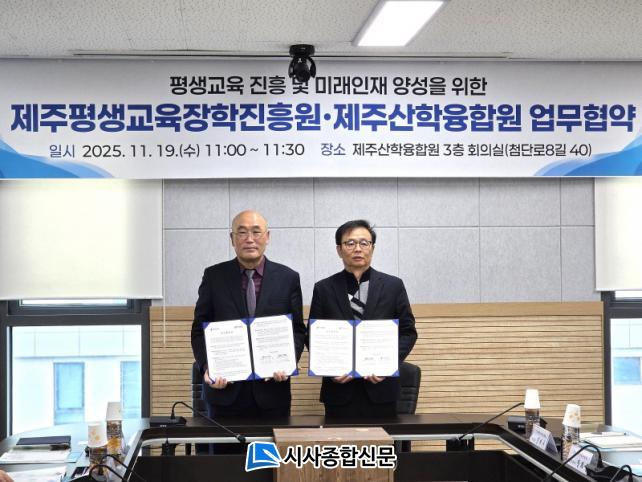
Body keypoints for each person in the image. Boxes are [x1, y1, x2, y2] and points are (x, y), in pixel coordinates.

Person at [191, 210, 306, 420]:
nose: (250, 239)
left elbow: (297, 329)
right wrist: (208, 366)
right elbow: (199, 329)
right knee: (222, 444)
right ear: (232, 238)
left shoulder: (288, 278)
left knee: (271, 444)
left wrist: (289, 362)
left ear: (267, 237)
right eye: (242, 232)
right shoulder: (214, 276)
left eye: (256, 232)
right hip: (224, 393)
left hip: (273, 392)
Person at [309, 219, 417, 417]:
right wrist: (331, 369)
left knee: (380, 438)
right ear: (339, 250)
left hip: (381, 389)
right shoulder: (323, 288)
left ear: (372, 248)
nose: (357, 249)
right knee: (340, 438)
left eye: (364, 243)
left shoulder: (393, 286)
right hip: (339, 391)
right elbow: (313, 336)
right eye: (350, 243)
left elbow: (408, 332)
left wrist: (388, 365)